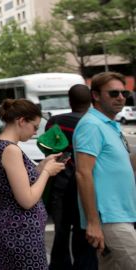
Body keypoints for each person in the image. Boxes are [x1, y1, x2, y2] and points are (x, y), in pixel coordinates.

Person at [0, 98, 65, 270]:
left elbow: (16, 183)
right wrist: (46, 173)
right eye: (35, 127)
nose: (35, 133)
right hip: (20, 234)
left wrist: (41, 166)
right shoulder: (11, 150)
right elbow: (26, 200)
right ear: (21, 121)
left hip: (13, 230)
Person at [73, 71, 136, 269]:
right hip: (109, 217)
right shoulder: (91, 125)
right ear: (96, 95)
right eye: (114, 93)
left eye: (124, 94)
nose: (120, 98)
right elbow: (83, 173)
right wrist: (93, 222)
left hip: (121, 214)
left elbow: (123, 166)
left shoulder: (110, 125)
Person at [45, 84, 98, 270]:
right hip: (88, 183)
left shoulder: (54, 122)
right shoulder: (95, 123)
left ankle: (60, 266)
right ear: (92, 99)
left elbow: (48, 150)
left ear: (69, 100)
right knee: (83, 229)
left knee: (61, 229)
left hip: (60, 183)